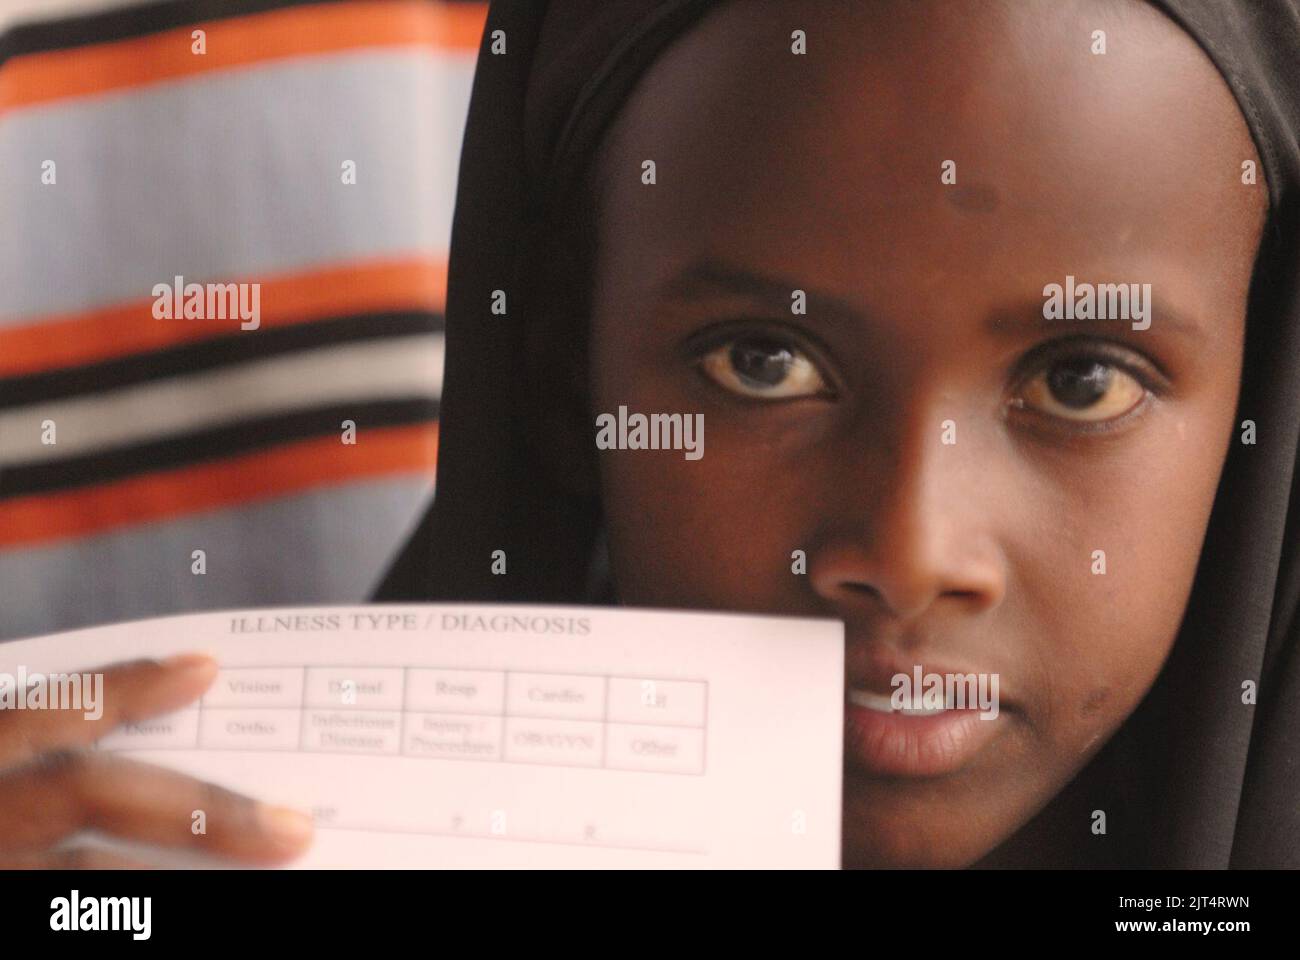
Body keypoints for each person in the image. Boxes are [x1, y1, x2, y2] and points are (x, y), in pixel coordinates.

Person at [372, 0, 1300, 869]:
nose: (909, 555)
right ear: (564, 369)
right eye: (764, 364)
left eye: (1080, 383)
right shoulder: (327, 830)